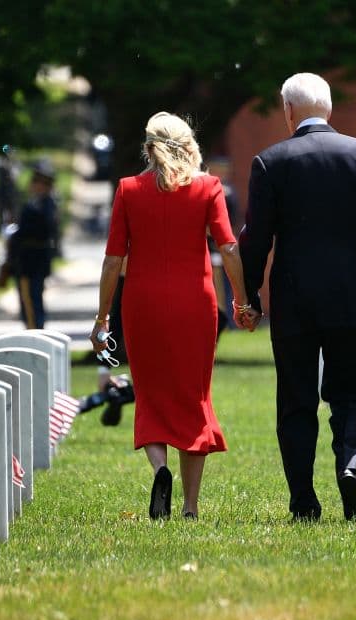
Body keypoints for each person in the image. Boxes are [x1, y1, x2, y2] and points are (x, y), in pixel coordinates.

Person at [238, 73, 356, 522]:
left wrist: (249, 297)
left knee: (296, 400)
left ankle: (304, 499)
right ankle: (348, 465)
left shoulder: (271, 161)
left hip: (295, 300)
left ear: (288, 111)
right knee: (350, 395)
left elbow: (256, 240)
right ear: (327, 109)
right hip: (352, 299)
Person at [91, 112, 256, 521]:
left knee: (150, 394)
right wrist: (241, 301)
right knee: (193, 396)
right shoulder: (208, 187)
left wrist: (101, 318)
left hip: (142, 304)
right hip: (194, 306)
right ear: (190, 145)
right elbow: (230, 249)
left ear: (148, 147)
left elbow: (113, 260)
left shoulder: (129, 189)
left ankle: (160, 470)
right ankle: (190, 506)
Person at [8, 160, 59, 329]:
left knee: (32, 299)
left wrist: (18, 234)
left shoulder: (46, 205)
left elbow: (43, 229)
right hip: (25, 258)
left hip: (34, 258)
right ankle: (32, 327)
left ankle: (35, 330)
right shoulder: (33, 203)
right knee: (26, 298)